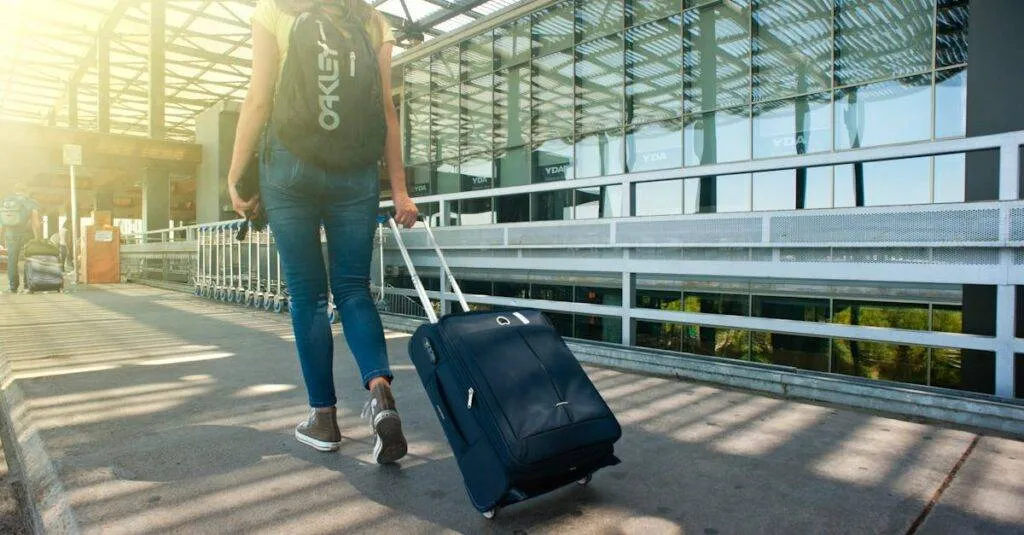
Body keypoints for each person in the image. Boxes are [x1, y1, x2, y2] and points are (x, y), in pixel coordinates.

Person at [226, 0, 418, 463]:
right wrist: (399, 190)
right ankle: (380, 394)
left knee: (308, 295)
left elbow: (259, 96)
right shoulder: (373, 21)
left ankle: (324, 418)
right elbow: (386, 111)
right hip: (355, 173)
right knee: (353, 288)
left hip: (289, 168)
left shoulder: (276, 10)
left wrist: (234, 175)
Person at [0, 183, 41, 293]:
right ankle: (28, 285)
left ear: (15, 190)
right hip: (27, 235)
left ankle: (13, 287)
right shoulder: (31, 202)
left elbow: (1, 220)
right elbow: (35, 222)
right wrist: (38, 238)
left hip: (10, 235)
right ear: (26, 191)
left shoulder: (6, 201)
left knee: (12, 260)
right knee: (29, 260)